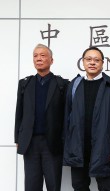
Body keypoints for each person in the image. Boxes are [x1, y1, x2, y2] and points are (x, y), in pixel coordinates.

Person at [63, 47, 110, 191]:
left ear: (103, 63)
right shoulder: (74, 85)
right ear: (83, 62)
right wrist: (67, 143)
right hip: (78, 145)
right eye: (88, 59)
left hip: (103, 145)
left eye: (96, 60)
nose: (92, 63)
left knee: (105, 186)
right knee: (79, 185)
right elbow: (67, 116)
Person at [14, 44, 69, 191]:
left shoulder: (62, 84)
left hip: (53, 142)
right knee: (31, 186)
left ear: (51, 60)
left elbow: (66, 115)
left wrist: (64, 139)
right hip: (30, 142)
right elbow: (19, 112)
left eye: (43, 55)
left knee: (53, 185)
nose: (39, 58)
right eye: (35, 56)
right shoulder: (25, 84)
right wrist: (18, 138)